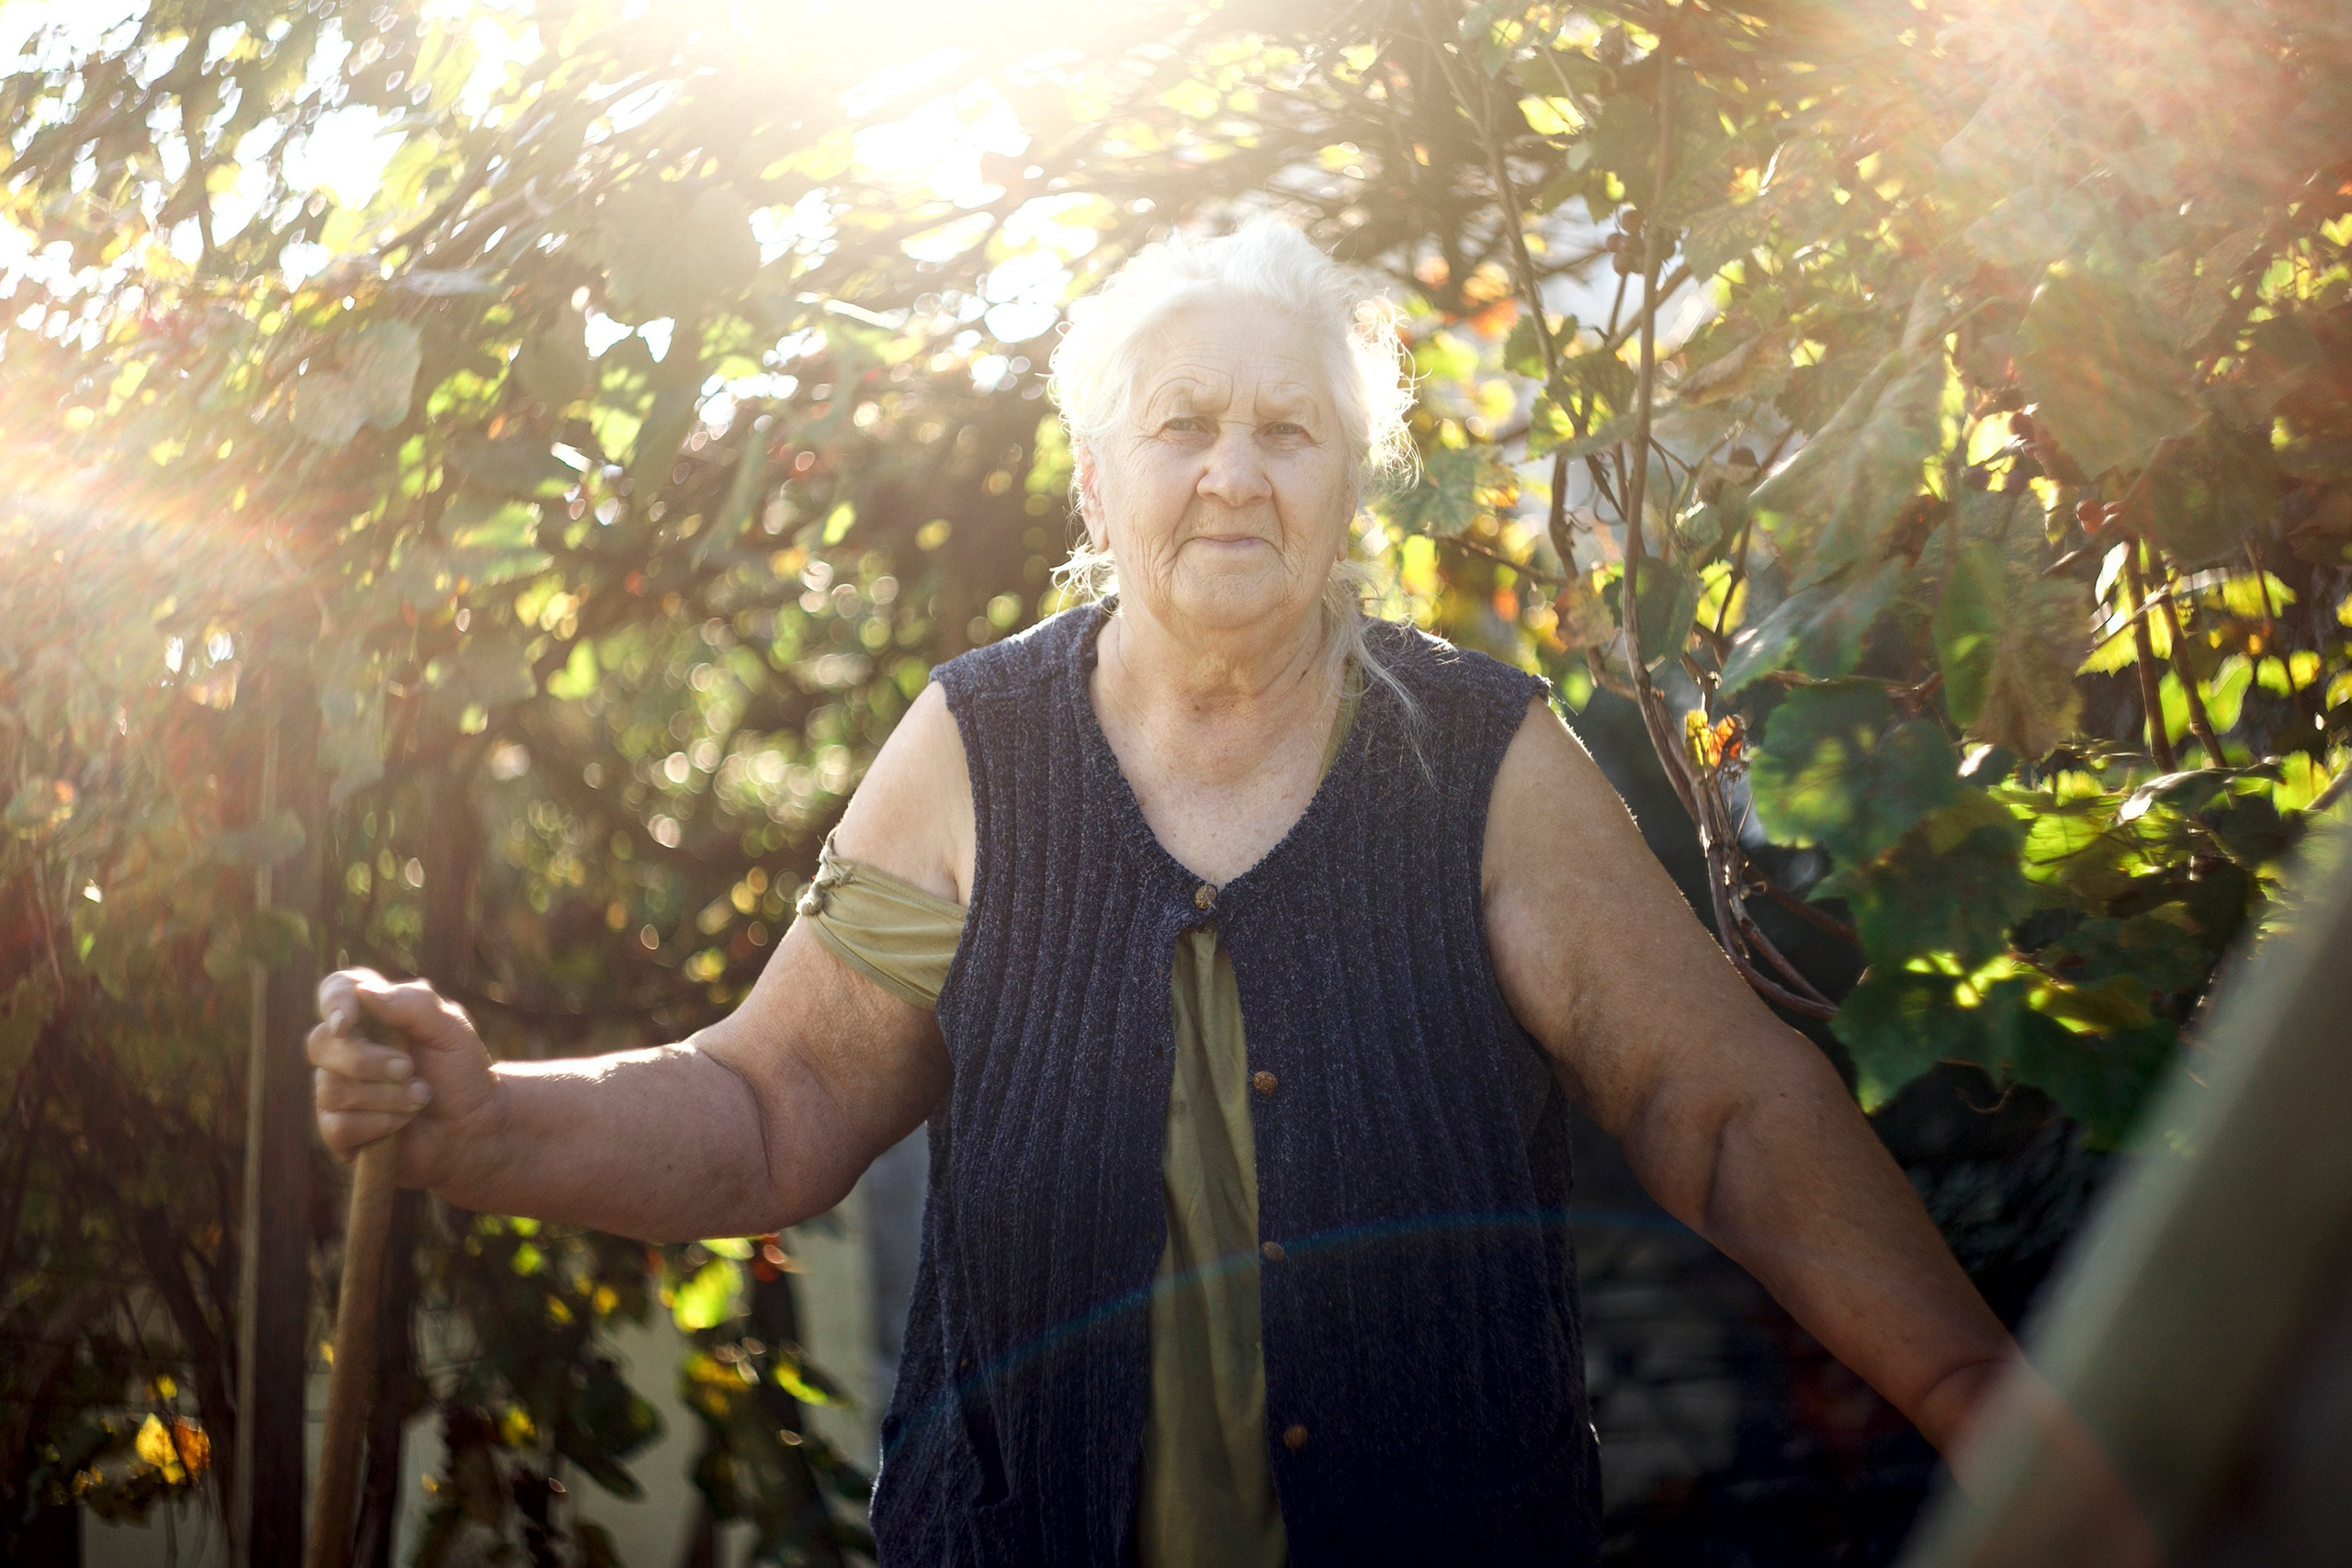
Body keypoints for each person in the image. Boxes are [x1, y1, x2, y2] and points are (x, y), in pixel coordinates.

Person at [310, 221, 2026, 1566]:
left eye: (1290, 429)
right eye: (1184, 425)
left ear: (1350, 482)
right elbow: (778, 1100)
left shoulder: (1489, 768)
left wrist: (1975, 1392)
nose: (1234, 469)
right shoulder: (971, 763)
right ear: (1097, 476)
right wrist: (482, 1121)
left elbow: (1719, 1106)